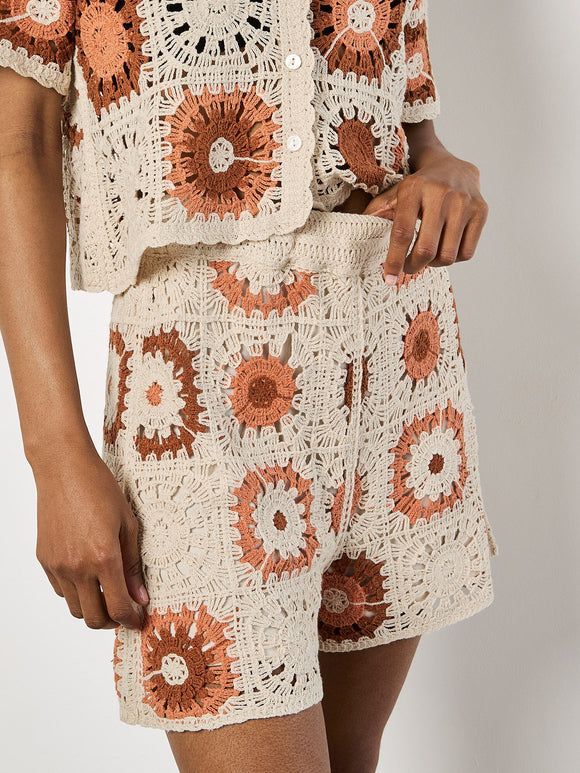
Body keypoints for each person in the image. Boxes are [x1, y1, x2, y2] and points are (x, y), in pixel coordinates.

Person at [0, 1, 499, 771]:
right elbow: (16, 143)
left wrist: (446, 172)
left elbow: (410, 124)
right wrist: (55, 451)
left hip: (399, 366)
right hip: (195, 391)